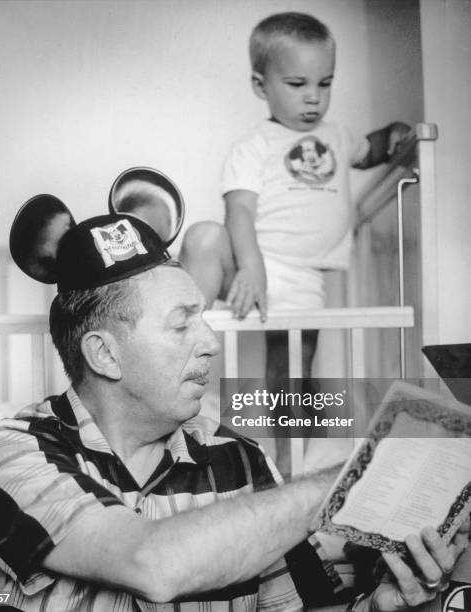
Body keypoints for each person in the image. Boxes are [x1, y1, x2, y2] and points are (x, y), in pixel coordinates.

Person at [0, 194, 468, 612]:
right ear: (104, 354)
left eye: (203, 319)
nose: (210, 342)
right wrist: (358, 474)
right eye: (182, 324)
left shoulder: (240, 461)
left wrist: (384, 605)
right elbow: (150, 562)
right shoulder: (9, 453)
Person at [179, 12, 411, 477]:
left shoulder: (337, 136)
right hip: (251, 265)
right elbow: (239, 211)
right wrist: (251, 266)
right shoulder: (255, 143)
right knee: (205, 236)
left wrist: (398, 135)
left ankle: (285, 467)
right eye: (298, 83)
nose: (313, 97)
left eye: (325, 84)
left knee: (291, 383)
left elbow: (371, 149)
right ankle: (178, 351)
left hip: (304, 280)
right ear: (261, 85)